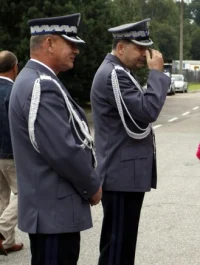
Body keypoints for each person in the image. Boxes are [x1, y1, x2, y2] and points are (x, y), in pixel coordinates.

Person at [8, 14, 102, 264]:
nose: (76, 50)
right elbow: (64, 151)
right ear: (49, 43)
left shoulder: (36, 80)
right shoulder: (41, 85)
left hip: (51, 212)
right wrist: (92, 186)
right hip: (54, 214)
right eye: (70, 43)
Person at [90, 18, 170, 265]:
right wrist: (156, 73)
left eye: (147, 49)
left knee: (121, 246)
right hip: (120, 175)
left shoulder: (119, 72)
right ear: (121, 47)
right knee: (117, 249)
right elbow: (147, 111)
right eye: (139, 48)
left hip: (124, 175)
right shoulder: (114, 75)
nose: (144, 54)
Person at [0, 51, 23, 256]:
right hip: (10, 153)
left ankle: (6, 242)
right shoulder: (14, 91)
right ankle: (1, 232)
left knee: (2, 197)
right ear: (15, 67)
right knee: (23, 194)